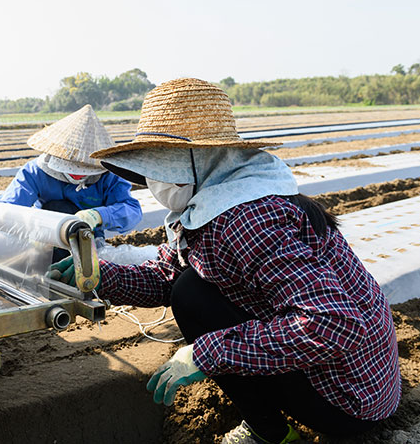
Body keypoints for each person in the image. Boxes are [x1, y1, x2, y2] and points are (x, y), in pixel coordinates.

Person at [50, 79, 401, 444]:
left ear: (198, 160)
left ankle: (271, 433)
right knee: (188, 288)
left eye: (159, 165)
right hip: (355, 379)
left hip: (348, 398)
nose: (152, 180)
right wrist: (98, 277)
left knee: (190, 295)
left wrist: (209, 353)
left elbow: (335, 324)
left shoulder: (246, 221)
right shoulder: (215, 205)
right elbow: (167, 277)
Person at [0, 104, 142, 256]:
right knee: (57, 208)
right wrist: (28, 229)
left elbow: (132, 210)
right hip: (44, 235)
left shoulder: (108, 176)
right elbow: (7, 209)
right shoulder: (35, 172)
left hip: (87, 239)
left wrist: (98, 215)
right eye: (73, 166)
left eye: (84, 168)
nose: (78, 174)